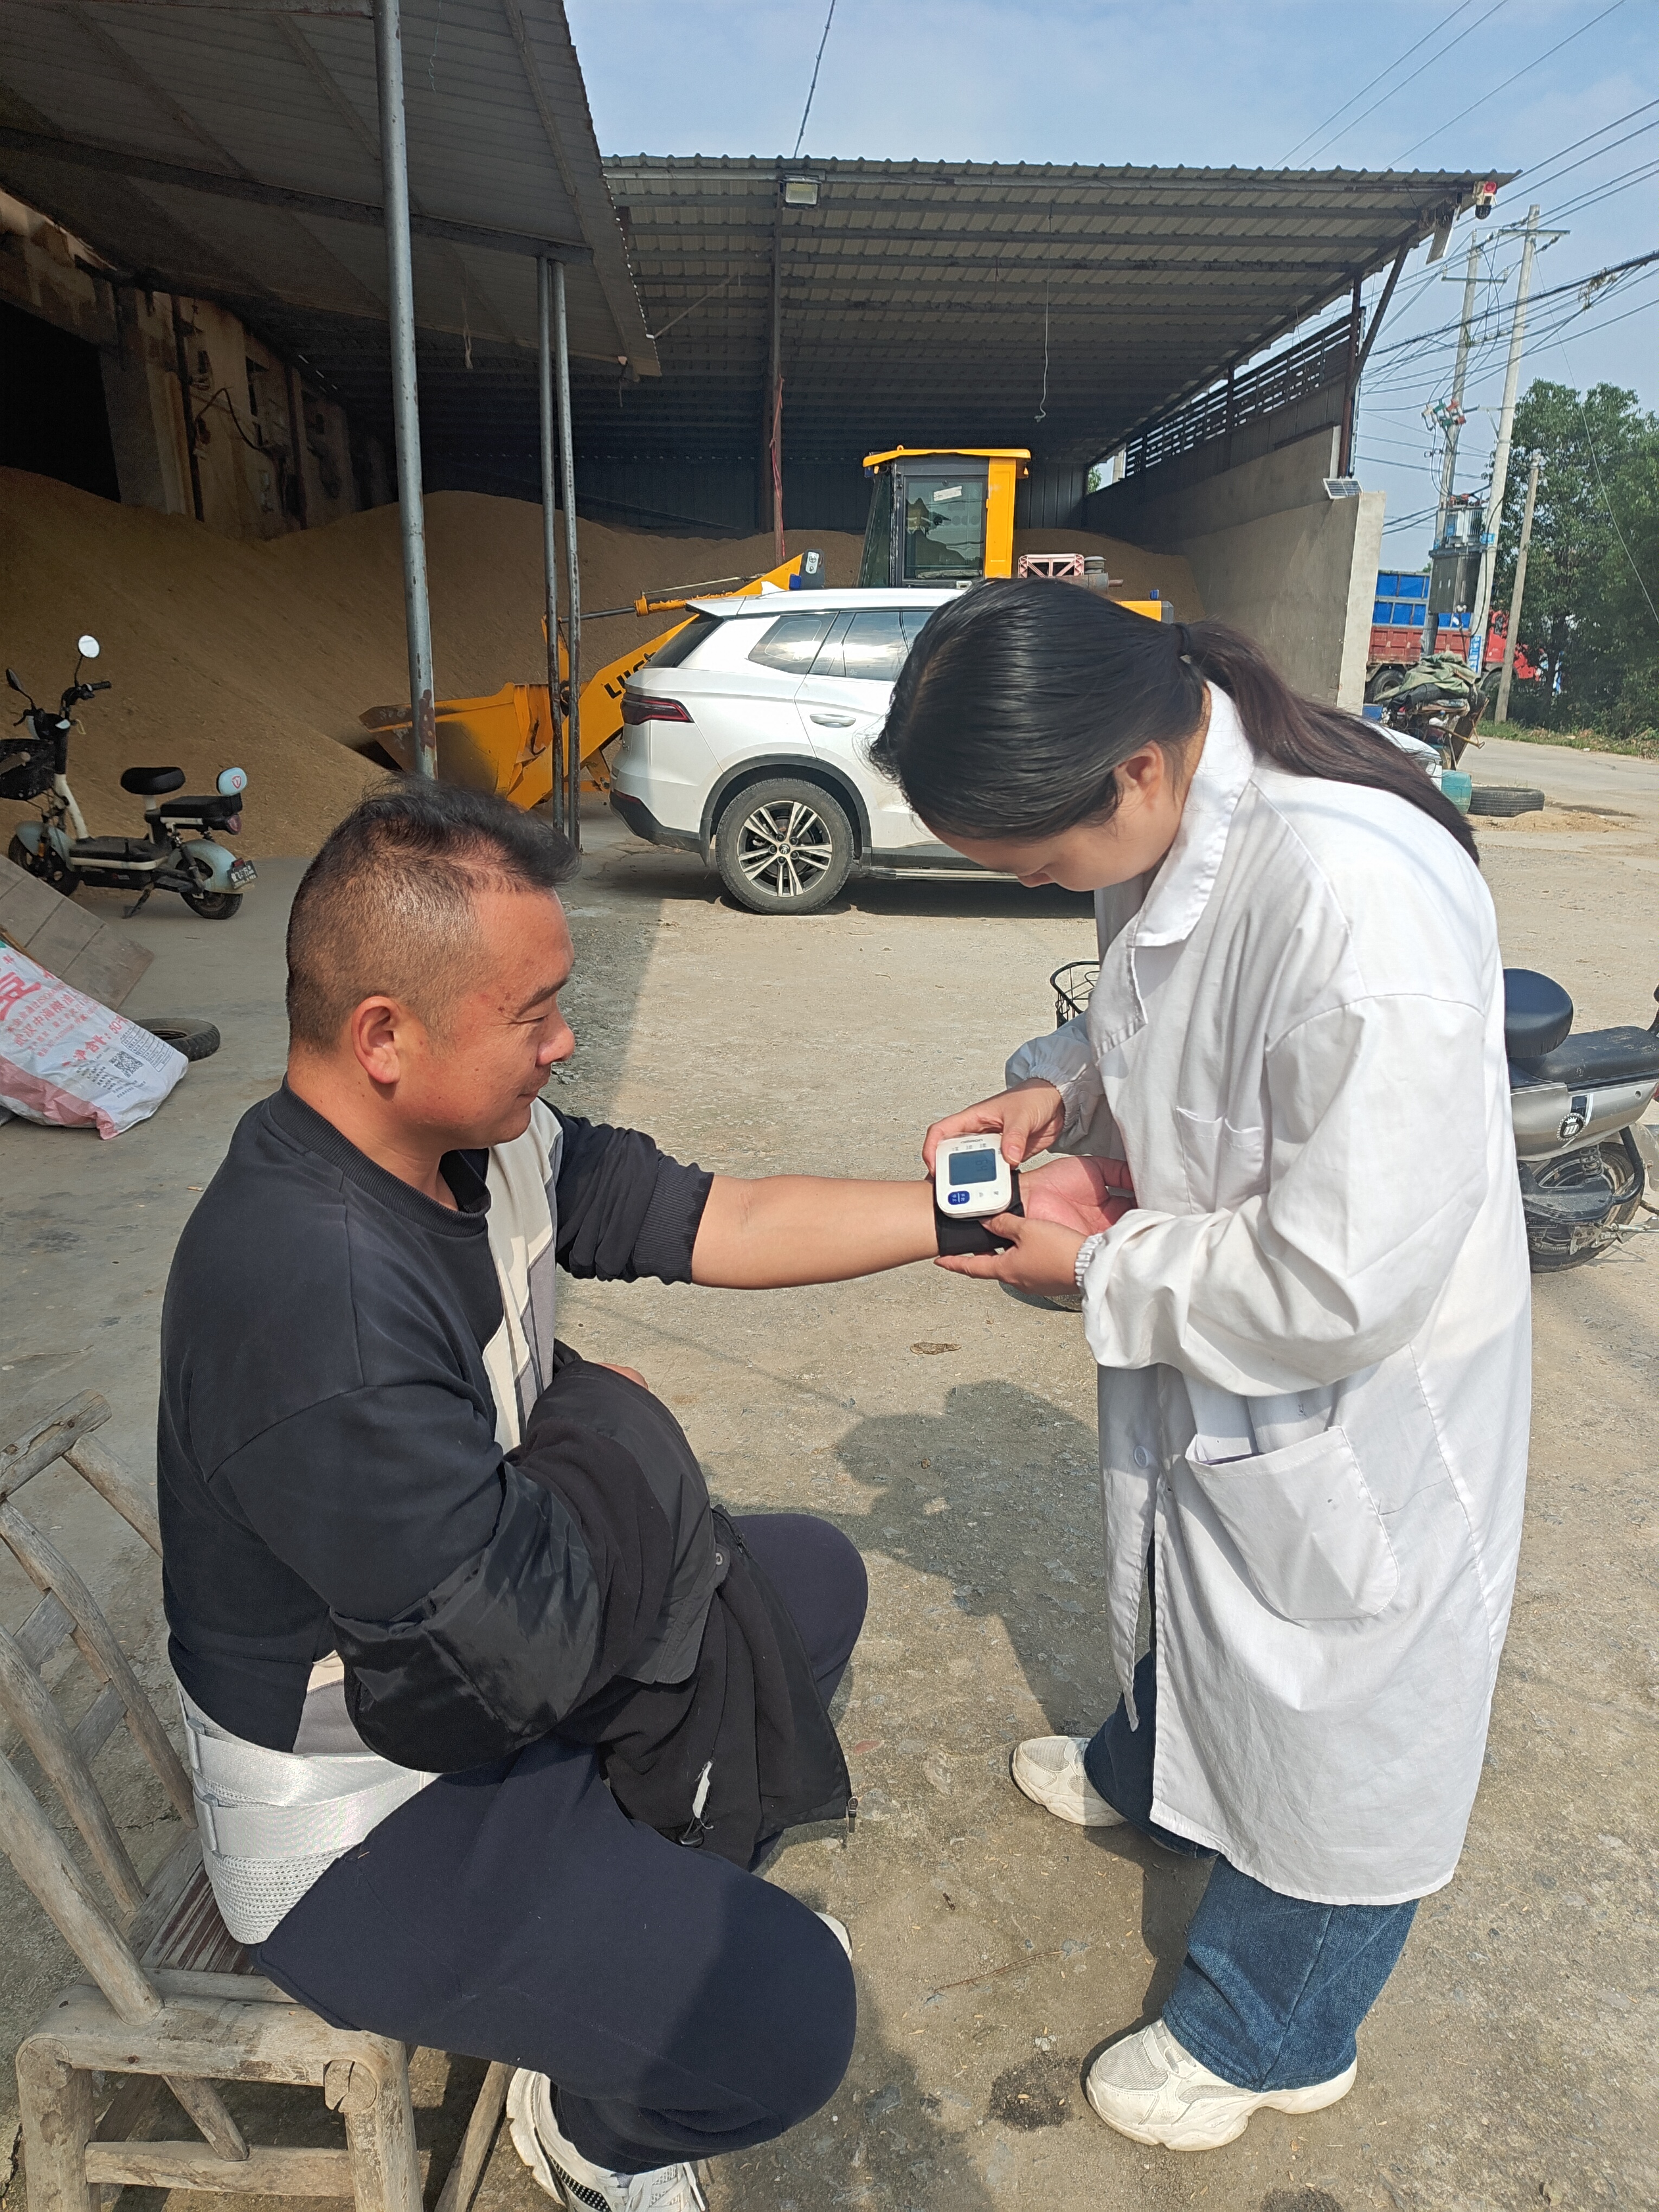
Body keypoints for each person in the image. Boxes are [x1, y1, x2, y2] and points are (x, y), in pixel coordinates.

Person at [158, 779, 1101, 2212]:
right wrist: (609, 1422)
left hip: (494, 1659)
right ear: (384, 1037)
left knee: (808, 1585)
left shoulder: (481, 1142)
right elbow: (512, 1651)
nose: (564, 1041)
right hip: (370, 1803)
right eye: (532, 1013)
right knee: (786, 2020)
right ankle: (596, 2135)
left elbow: (719, 1216)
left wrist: (962, 1213)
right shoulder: (309, 1299)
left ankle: (629, 1904)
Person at [871, 582, 1530, 2153]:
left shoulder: (1358, 904)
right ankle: (1153, 1759)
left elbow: (1340, 1275)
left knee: (1341, 1720)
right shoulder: (1173, 820)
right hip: (1226, 1331)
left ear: (1137, 772)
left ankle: (1274, 2031)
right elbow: (1166, 1019)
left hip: (1355, 1389)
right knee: (1189, 1566)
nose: (1043, 889)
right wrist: (1063, 1097)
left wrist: (1095, 1268)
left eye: (1039, 866)